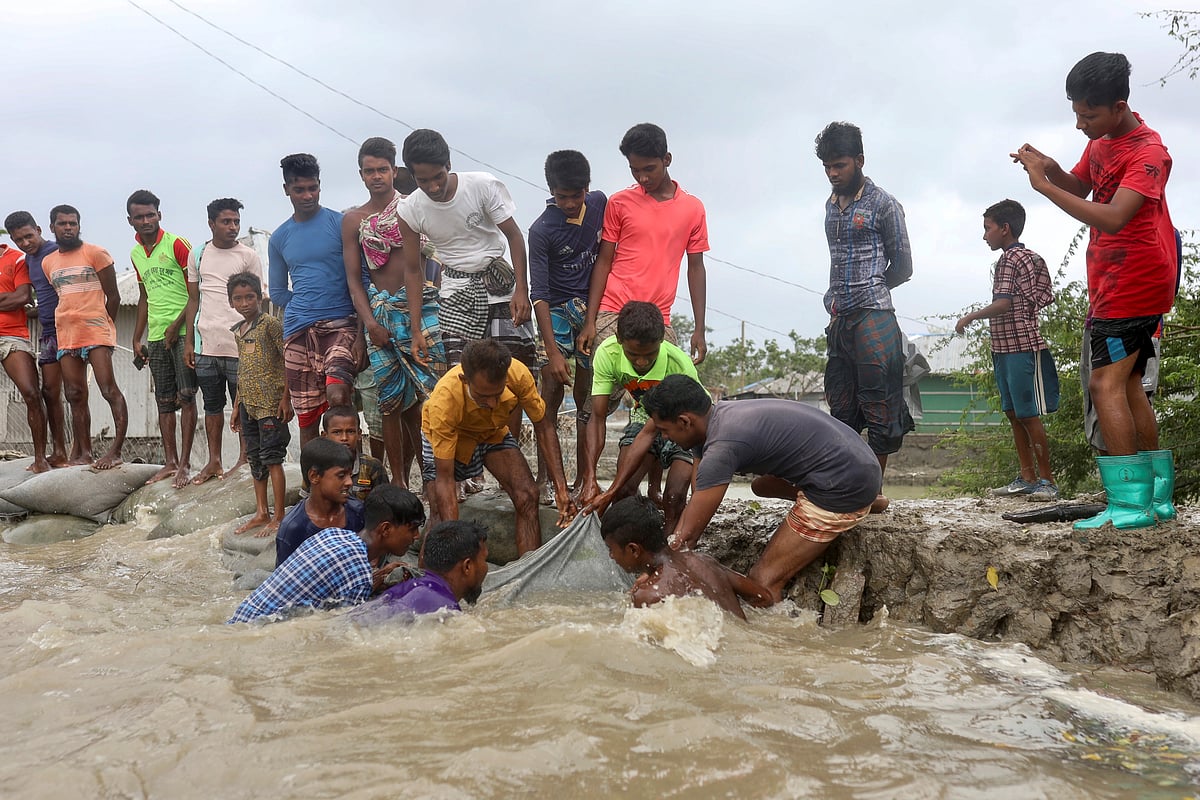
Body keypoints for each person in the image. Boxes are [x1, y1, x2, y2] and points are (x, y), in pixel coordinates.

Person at [1012, 51, 1178, 530]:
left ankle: (1128, 505)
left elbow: (1113, 215)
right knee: (1128, 384)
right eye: (1076, 114)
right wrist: (1046, 167)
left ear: (1119, 106)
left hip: (1133, 281)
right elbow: (1083, 186)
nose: (1080, 124)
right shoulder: (1104, 141)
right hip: (1117, 279)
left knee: (1103, 383)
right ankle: (1157, 499)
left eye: (1088, 115)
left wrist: (1044, 189)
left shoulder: (1148, 153)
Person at [642, 374, 881, 605]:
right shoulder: (715, 418)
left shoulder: (723, 447)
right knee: (761, 486)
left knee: (761, 583)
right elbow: (700, 495)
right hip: (860, 462)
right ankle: (870, 500)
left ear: (685, 421)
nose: (665, 438)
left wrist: (657, 571)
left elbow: (688, 535)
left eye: (664, 430)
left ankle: (852, 504)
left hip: (843, 483)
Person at [814, 121, 914, 514]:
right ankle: (845, 487)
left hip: (873, 313)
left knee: (880, 404)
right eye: (827, 167)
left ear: (859, 160)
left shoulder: (883, 204)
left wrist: (870, 288)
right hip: (839, 316)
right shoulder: (830, 205)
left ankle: (873, 491)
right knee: (842, 404)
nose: (833, 173)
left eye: (839, 165)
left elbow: (903, 266)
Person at [341, 136, 445, 488]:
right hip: (380, 312)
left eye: (382, 169)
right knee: (390, 402)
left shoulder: (414, 207)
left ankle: (437, 477)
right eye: (369, 171)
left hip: (422, 308)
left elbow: (433, 261)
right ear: (361, 174)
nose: (376, 177)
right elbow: (354, 280)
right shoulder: (354, 220)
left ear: (394, 170)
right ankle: (398, 483)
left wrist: (419, 320)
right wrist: (370, 323)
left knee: (433, 395)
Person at [396, 129, 538, 377]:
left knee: (513, 377)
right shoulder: (410, 210)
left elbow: (515, 237)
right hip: (456, 295)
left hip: (502, 291)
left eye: (438, 176)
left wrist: (522, 292)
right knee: (461, 378)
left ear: (449, 164)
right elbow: (412, 270)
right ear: (412, 176)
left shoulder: (482, 186)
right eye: (423, 181)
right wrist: (416, 329)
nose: (433, 186)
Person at [422, 339, 576, 555]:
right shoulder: (444, 401)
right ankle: (432, 582)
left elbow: (544, 427)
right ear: (465, 380)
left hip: (492, 432)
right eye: (484, 396)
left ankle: (527, 573)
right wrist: (455, 540)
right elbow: (446, 480)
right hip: (451, 437)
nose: (493, 403)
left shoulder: (518, 374)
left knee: (527, 496)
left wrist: (561, 489)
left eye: (498, 393)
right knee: (441, 517)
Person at [575, 122, 708, 364]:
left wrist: (699, 328)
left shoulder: (693, 208)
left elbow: (696, 267)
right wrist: (591, 321)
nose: (642, 177)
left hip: (659, 319)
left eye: (649, 168)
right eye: (634, 170)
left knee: (667, 393)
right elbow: (604, 262)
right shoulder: (619, 203)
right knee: (602, 392)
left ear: (667, 159)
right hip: (613, 313)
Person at [955, 200, 1059, 501]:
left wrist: (971, 316)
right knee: (1014, 413)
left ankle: (1046, 480)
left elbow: (1004, 303)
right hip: (1006, 345)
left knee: (1026, 414)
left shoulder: (1008, 260)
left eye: (987, 229)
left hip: (1018, 346)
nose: (984, 235)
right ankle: (1027, 477)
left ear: (1005, 229)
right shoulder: (1031, 257)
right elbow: (1043, 295)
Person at [577, 301, 699, 536]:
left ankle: (666, 557)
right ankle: (628, 550)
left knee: (674, 499)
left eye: (649, 355)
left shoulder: (679, 364)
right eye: (633, 354)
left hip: (685, 423)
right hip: (646, 413)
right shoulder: (607, 354)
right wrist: (590, 476)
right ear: (619, 340)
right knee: (625, 491)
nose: (641, 362)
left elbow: (663, 430)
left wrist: (611, 489)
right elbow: (598, 417)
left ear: (662, 341)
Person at [528, 150, 606, 504]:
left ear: (587, 188)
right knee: (550, 393)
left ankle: (584, 477)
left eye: (577, 195)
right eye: (563, 197)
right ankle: (547, 477)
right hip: (555, 312)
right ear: (551, 192)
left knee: (587, 398)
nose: (571, 203)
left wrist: (590, 321)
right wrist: (554, 351)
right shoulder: (542, 230)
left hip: (592, 308)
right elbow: (540, 295)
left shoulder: (601, 204)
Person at [227, 484, 425, 624]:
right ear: (386, 529)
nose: (416, 536)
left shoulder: (334, 534)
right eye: (412, 529)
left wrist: (378, 577)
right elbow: (340, 628)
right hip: (259, 630)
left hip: (242, 619)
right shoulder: (357, 572)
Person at [268, 153, 361, 445]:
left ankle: (349, 477)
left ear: (320, 186)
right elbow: (278, 291)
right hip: (298, 330)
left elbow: (361, 279)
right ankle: (315, 485)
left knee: (339, 397)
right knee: (307, 417)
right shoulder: (280, 237)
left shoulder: (340, 223)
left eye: (313, 188)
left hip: (341, 325)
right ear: (287, 190)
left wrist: (360, 333)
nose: (308, 195)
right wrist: (305, 302)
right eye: (299, 190)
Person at [41, 204, 128, 469]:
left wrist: (104, 324)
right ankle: (84, 453)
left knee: (108, 389)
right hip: (67, 335)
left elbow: (113, 296)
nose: (68, 228)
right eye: (62, 223)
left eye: (73, 223)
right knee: (75, 393)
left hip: (96, 332)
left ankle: (115, 451)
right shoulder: (49, 262)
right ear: (52, 227)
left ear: (79, 225)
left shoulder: (96, 253)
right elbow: (63, 295)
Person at [183, 198, 262, 483]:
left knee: (244, 404)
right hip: (207, 343)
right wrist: (190, 342)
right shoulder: (199, 254)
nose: (232, 227)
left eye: (236, 222)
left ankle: (244, 459)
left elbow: (257, 301)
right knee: (212, 406)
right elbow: (193, 299)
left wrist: (254, 343)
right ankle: (214, 461)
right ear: (211, 224)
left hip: (240, 345)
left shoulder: (248, 256)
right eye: (226, 222)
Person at [601, 496, 770, 620]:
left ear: (633, 549)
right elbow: (764, 598)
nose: (611, 556)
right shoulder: (704, 561)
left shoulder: (648, 595)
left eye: (611, 549)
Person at [127, 189, 197, 488]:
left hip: (182, 332)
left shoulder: (177, 245)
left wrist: (176, 325)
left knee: (187, 396)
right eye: (139, 216)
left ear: (159, 215)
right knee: (164, 400)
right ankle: (169, 462)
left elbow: (196, 292)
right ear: (130, 220)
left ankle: (185, 464)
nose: (146, 220)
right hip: (155, 336)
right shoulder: (134, 253)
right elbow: (143, 297)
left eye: (150, 215)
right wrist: (136, 337)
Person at [5, 211, 72, 467]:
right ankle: (58, 452)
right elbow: (42, 297)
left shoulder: (58, 252)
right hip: (48, 334)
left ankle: (79, 451)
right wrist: (32, 311)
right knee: (50, 392)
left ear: (40, 230)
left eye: (28, 236)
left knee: (76, 392)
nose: (25, 243)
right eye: (18, 240)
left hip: (69, 330)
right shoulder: (29, 261)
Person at [228, 271, 292, 536]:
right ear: (231, 302)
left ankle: (278, 516)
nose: (244, 303)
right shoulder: (239, 331)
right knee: (255, 458)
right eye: (238, 299)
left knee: (272, 458)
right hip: (248, 406)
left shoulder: (271, 325)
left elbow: (288, 360)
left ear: (260, 297)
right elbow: (243, 369)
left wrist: (286, 398)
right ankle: (261, 512)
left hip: (270, 404)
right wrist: (235, 405)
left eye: (249, 297)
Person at [349, 519, 489, 623]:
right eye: (484, 560)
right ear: (467, 566)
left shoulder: (406, 587)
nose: (486, 568)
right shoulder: (444, 609)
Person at [0, 235, 50, 472]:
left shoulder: (16, 258)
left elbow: (23, 297)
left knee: (31, 393)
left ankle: (40, 458)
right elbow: (13, 298)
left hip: (11, 334)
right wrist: (6, 299)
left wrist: (14, 300)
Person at [274, 438, 365, 566]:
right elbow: (285, 580)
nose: (349, 482)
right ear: (314, 476)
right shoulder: (294, 528)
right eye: (341, 476)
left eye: (350, 475)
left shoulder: (357, 511)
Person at [321, 404, 389, 502]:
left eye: (350, 432)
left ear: (359, 434)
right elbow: (307, 504)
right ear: (325, 436)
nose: (344, 438)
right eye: (337, 432)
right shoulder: (318, 466)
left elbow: (384, 505)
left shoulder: (372, 467)